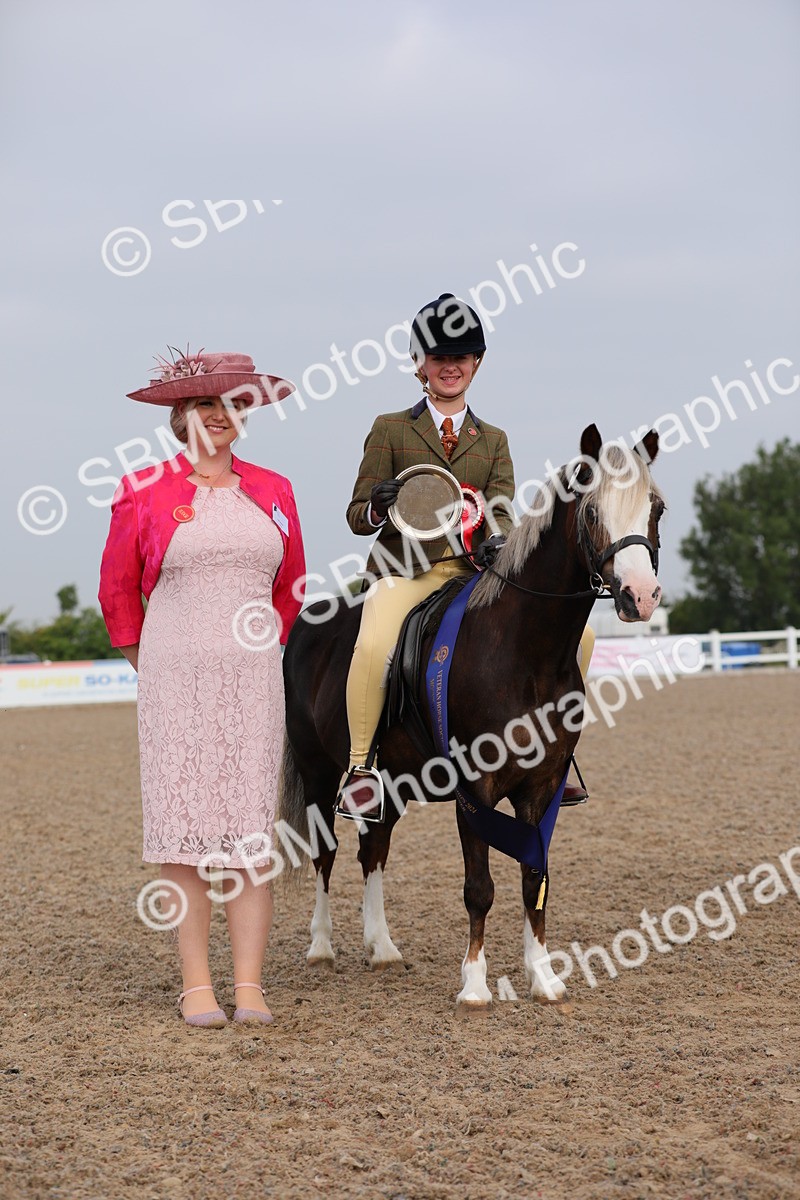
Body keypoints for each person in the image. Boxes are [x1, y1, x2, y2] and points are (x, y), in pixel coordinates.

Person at [99, 349, 305, 1028]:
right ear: (180, 413)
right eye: (209, 404)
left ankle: (249, 987)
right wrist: (151, 659)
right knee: (184, 832)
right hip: (173, 677)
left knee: (249, 833)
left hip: (253, 680)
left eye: (235, 405)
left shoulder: (275, 489)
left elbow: (290, 587)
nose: (223, 417)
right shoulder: (142, 489)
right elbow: (119, 588)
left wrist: (257, 647)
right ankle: (196, 987)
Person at [339, 293, 595, 817]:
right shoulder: (390, 428)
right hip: (404, 571)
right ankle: (361, 768)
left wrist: (498, 539)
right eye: (438, 357)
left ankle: (557, 758)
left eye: (461, 356)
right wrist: (381, 505)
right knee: (372, 649)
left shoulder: (493, 439)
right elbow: (356, 513)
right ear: (419, 364)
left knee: (583, 636)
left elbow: (501, 510)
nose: (450, 366)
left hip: (476, 574)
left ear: (476, 363)